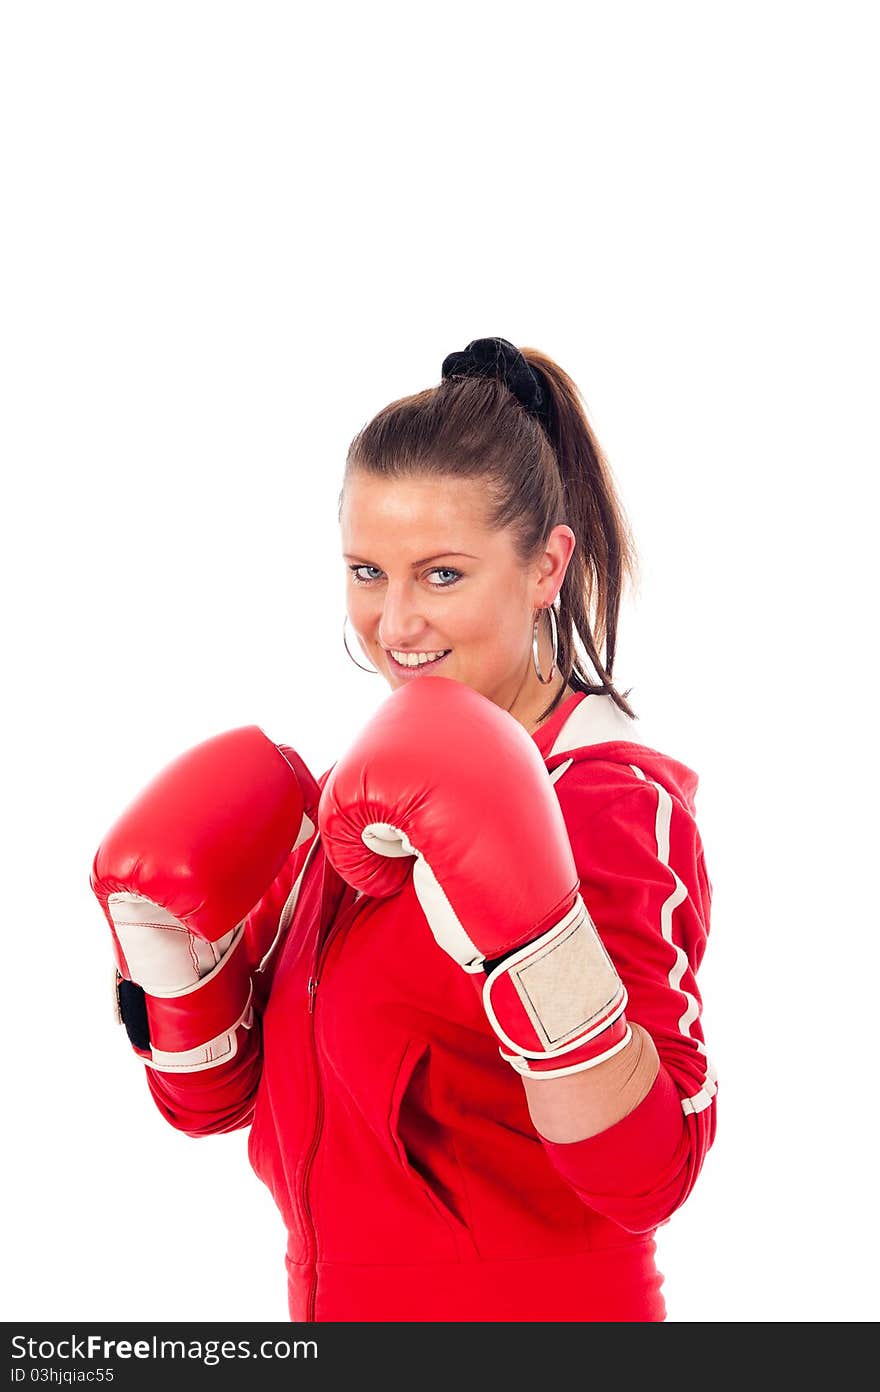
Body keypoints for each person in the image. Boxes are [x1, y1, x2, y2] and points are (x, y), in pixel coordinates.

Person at [90, 336, 717, 1323]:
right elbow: (213, 1101)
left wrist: (535, 957)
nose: (393, 623)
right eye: (366, 570)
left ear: (546, 565)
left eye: (441, 576)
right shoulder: (353, 803)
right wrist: (171, 971)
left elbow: (649, 1177)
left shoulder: (604, 801)